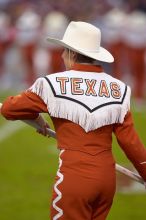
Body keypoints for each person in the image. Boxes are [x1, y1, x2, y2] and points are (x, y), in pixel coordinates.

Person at [1, 21, 146, 220]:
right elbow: (131, 144)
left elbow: (9, 109)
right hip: (106, 181)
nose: (61, 55)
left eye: (64, 50)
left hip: (74, 177)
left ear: (72, 53)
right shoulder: (119, 89)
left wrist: (34, 115)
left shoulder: (51, 83)